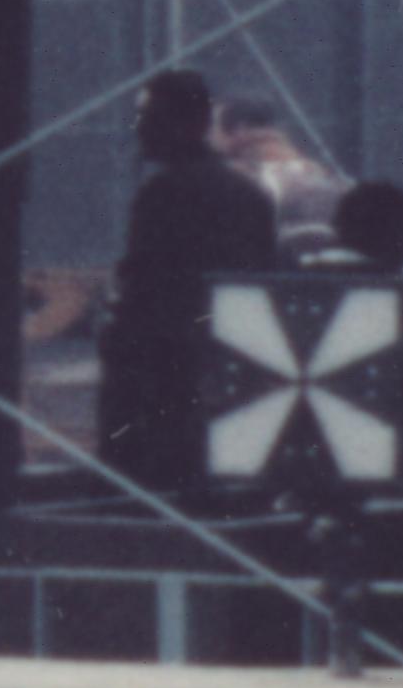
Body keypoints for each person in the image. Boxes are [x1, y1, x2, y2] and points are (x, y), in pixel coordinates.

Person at [91, 69, 278, 499]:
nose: (141, 129)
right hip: (227, 374)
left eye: (149, 116)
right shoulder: (250, 196)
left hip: (159, 380)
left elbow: (143, 291)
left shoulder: (163, 194)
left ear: (186, 121)